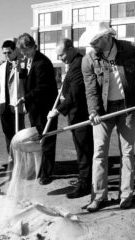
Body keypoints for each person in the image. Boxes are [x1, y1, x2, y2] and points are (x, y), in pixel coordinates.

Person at [81, 22, 135, 211]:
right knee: (99, 153)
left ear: (107, 37)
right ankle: (99, 196)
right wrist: (93, 112)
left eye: (95, 41)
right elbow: (91, 90)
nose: (92, 46)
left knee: (127, 152)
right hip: (103, 111)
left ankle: (126, 195)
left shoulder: (130, 50)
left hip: (127, 107)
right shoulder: (89, 60)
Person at [47, 38, 93, 198]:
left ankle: (84, 184)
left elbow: (75, 93)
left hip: (81, 114)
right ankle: (86, 179)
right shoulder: (73, 63)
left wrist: (58, 111)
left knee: (84, 150)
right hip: (75, 115)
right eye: (59, 56)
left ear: (71, 49)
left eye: (62, 55)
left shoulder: (79, 63)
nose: (61, 59)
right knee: (81, 149)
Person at [16, 33, 58, 185]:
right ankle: (41, 169)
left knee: (47, 139)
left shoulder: (42, 62)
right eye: (22, 51)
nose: (23, 54)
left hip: (44, 108)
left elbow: (43, 87)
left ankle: (47, 173)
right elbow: (29, 82)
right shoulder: (30, 61)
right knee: (38, 139)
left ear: (33, 46)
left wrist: (25, 98)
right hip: (35, 108)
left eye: (25, 50)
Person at [0, 40, 25, 163]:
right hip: (4, 104)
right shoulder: (1, 68)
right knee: (7, 132)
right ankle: (11, 155)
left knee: (19, 133)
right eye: (4, 53)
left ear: (14, 51)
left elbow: (25, 82)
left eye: (9, 52)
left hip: (16, 104)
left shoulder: (22, 65)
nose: (6, 55)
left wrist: (21, 71)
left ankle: (21, 157)